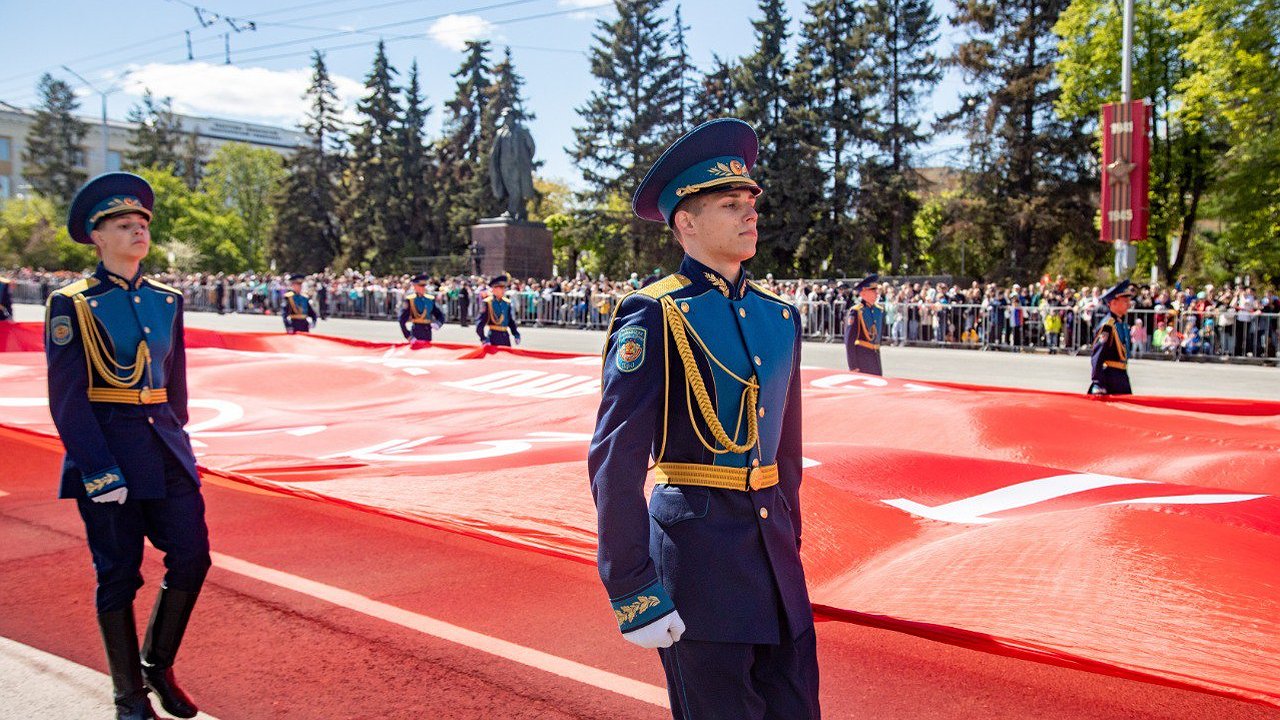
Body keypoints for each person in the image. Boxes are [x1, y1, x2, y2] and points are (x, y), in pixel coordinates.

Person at [589, 118, 818, 719]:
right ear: (686, 223)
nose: (750, 213)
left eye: (750, 201)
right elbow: (615, 459)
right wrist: (633, 585)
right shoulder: (655, 313)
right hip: (699, 564)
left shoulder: (780, 317)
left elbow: (785, 454)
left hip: (774, 559)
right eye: (729, 204)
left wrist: (789, 540)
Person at [47, 172, 210, 720]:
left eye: (142, 222)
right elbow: (67, 398)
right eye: (123, 225)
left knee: (192, 557)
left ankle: (156, 665)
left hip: (164, 449)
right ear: (97, 238)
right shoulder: (72, 303)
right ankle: (129, 697)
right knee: (118, 574)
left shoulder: (168, 300)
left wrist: (181, 443)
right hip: (109, 452)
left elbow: (175, 384)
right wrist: (98, 469)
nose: (138, 231)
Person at [1089, 279, 1135, 395]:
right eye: (1125, 301)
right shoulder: (1108, 326)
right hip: (1109, 379)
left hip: (1121, 377)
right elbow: (1097, 356)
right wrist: (1098, 382)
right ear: (1113, 303)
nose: (1128, 304)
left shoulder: (1119, 323)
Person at [844, 274, 884, 375]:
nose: (876, 292)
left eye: (876, 290)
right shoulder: (856, 311)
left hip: (875, 358)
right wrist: (853, 365)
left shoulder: (879, 310)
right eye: (873, 290)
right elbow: (849, 341)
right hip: (862, 358)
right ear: (864, 293)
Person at [475, 274, 521, 346]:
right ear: (494, 289)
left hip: (505, 338)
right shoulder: (488, 303)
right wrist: (483, 339)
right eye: (501, 288)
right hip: (493, 338)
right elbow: (480, 324)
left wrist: (516, 334)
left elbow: (510, 321)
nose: (504, 290)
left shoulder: (506, 303)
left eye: (504, 287)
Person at [398, 274, 446, 343]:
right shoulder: (410, 300)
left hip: (428, 333)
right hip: (416, 333)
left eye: (425, 285)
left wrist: (438, 324)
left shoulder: (430, 299)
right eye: (421, 285)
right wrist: (409, 336)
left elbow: (440, 315)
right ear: (415, 286)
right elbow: (402, 320)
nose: (424, 288)